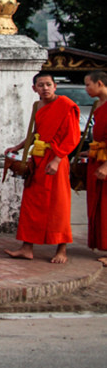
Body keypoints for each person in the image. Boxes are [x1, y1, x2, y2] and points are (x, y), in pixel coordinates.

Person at [4, 73, 80, 263]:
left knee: (58, 204)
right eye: (40, 85)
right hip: (37, 160)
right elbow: (36, 133)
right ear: (34, 89)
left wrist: (56, 159)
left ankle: (61, 249)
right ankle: (27, 247)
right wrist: (19, 147)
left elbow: (72, 137)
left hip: (56, 159)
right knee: (31, 203)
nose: (45, 88)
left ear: (55, 86)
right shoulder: (38, 106)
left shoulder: (66, 106)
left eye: (48, 84)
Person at [83, 70, 107, 265]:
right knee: (99, 205)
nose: (86, 89)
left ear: (99, 83)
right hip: (98, 156)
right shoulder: (99, 104)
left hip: (105, 161)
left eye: (88, 84)